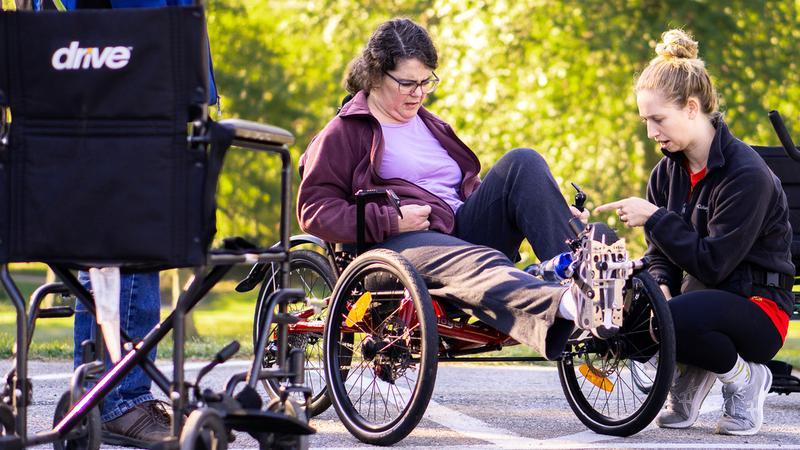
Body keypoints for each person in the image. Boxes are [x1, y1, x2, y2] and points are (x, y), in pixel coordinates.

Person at [297, 17, 625, 362]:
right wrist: (391, 221)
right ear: (376, 76)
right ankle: (566, 303)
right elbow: (313, 210)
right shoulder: (346, 131)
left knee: (522, 162)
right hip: (396, 247)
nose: (419, 93)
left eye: (427, 82)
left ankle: (585, 277)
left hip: (457, 230)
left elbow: (467, 191)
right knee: (479, 260)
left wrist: (548, 209)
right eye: (408, 83)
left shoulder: (430, 124)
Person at [30, 0, 219, 447]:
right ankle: (118, 400)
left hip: (142, 68)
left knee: (121, 237)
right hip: (126, 69)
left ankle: (105, 393)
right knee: (126, 233)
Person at [595, 29, 793, 436]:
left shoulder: (746, 174)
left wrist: (654, 217)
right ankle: (693, 371)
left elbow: (715, 265)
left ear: (690, 107)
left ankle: (745, 380)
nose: (652, 132)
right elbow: (660, 254)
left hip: (759, 308)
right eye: (646, 120)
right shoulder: (666, 171)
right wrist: (662, 286)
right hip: (697, 300)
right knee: (625, 318)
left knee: (671, 320)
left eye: (657, 119)